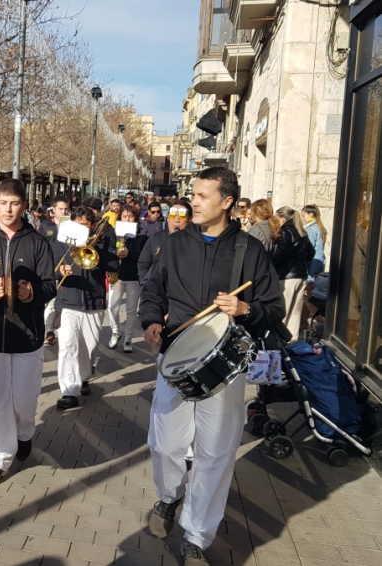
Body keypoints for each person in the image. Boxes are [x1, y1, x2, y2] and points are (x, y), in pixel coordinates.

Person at [140, 168, 284, 566]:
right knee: (166, 444)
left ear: (227, 202)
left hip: (225, 366)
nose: (193, 202)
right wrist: (151, 320)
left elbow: (274, 309)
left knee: (216, 452)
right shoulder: (174, 244)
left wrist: (245, 309)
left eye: (203, 196)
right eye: (193, 194)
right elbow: (153, 290)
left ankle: (198, 533)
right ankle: (169, 498)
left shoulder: (250, 251)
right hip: (175, 357)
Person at [0, 178, 56, 486]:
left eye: (14, 203)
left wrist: (32, 292)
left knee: (24, 399)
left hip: (27, 335)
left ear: (24, 206)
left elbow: (50, 285)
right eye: (2, 203)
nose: (7, 209)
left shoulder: (37, 242)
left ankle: (24, 432)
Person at [52, 205, 117, 409]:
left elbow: (114, 267)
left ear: (93, 226)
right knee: (67, 346)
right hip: (68, 299)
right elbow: (51, 267)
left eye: (86, 226)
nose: (81, 229)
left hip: (94, 300)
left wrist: (97, 249)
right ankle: (69, 391)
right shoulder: (62, 239)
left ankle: (84, 376)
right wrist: (60, 269)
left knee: (89, 346)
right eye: (77, 225)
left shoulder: (107, 237)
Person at [107, 205, 147, 353]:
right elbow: (108, 251)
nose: (127, 219)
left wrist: (130, 253)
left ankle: (128, 338)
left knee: (131, 310)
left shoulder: (141, 237)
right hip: (116, 275)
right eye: (124, 216)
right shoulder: (115, 234)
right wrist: (115, 253)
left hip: (133, 276)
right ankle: (115, 332)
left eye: (130, 216)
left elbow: (143, 257)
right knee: (113, 307)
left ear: (135, 219)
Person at [272, 207, 313, 341]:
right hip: (301, 275)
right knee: (295, 311)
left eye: (276, 219)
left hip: (287, 276)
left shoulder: (286, 232)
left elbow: (281, 254)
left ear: (282, 219)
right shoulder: (301, 232)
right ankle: (292, 340)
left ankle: (281, 341)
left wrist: (271, 266)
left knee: (284, 310)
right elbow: (311, 252)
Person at [137, 201, 192, 288]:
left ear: (189, 220)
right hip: (156, 295)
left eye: (181, 216)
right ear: (168, 218)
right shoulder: (155, 239)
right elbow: (143, 265)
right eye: (173, 215)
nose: (176, 220)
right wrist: (145, 288)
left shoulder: (194, 243)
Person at [39, 196, 69, 345]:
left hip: (66, 268)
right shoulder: (45, 225)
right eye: (60, 209)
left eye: (66, 209)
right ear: (53, 210)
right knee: (51, 303)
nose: (63, 211)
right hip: (50, 268)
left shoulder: (71, 224)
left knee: (61, 303)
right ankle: (47, 330)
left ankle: (54, 329)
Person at [302, 204, 327, 280]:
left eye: (303, 216)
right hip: (319, 261)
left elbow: (309, 247)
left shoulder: (311, 229)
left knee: (309, 286)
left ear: (311, 214)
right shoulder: (318, 227)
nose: (302, 218)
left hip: (313, 262)